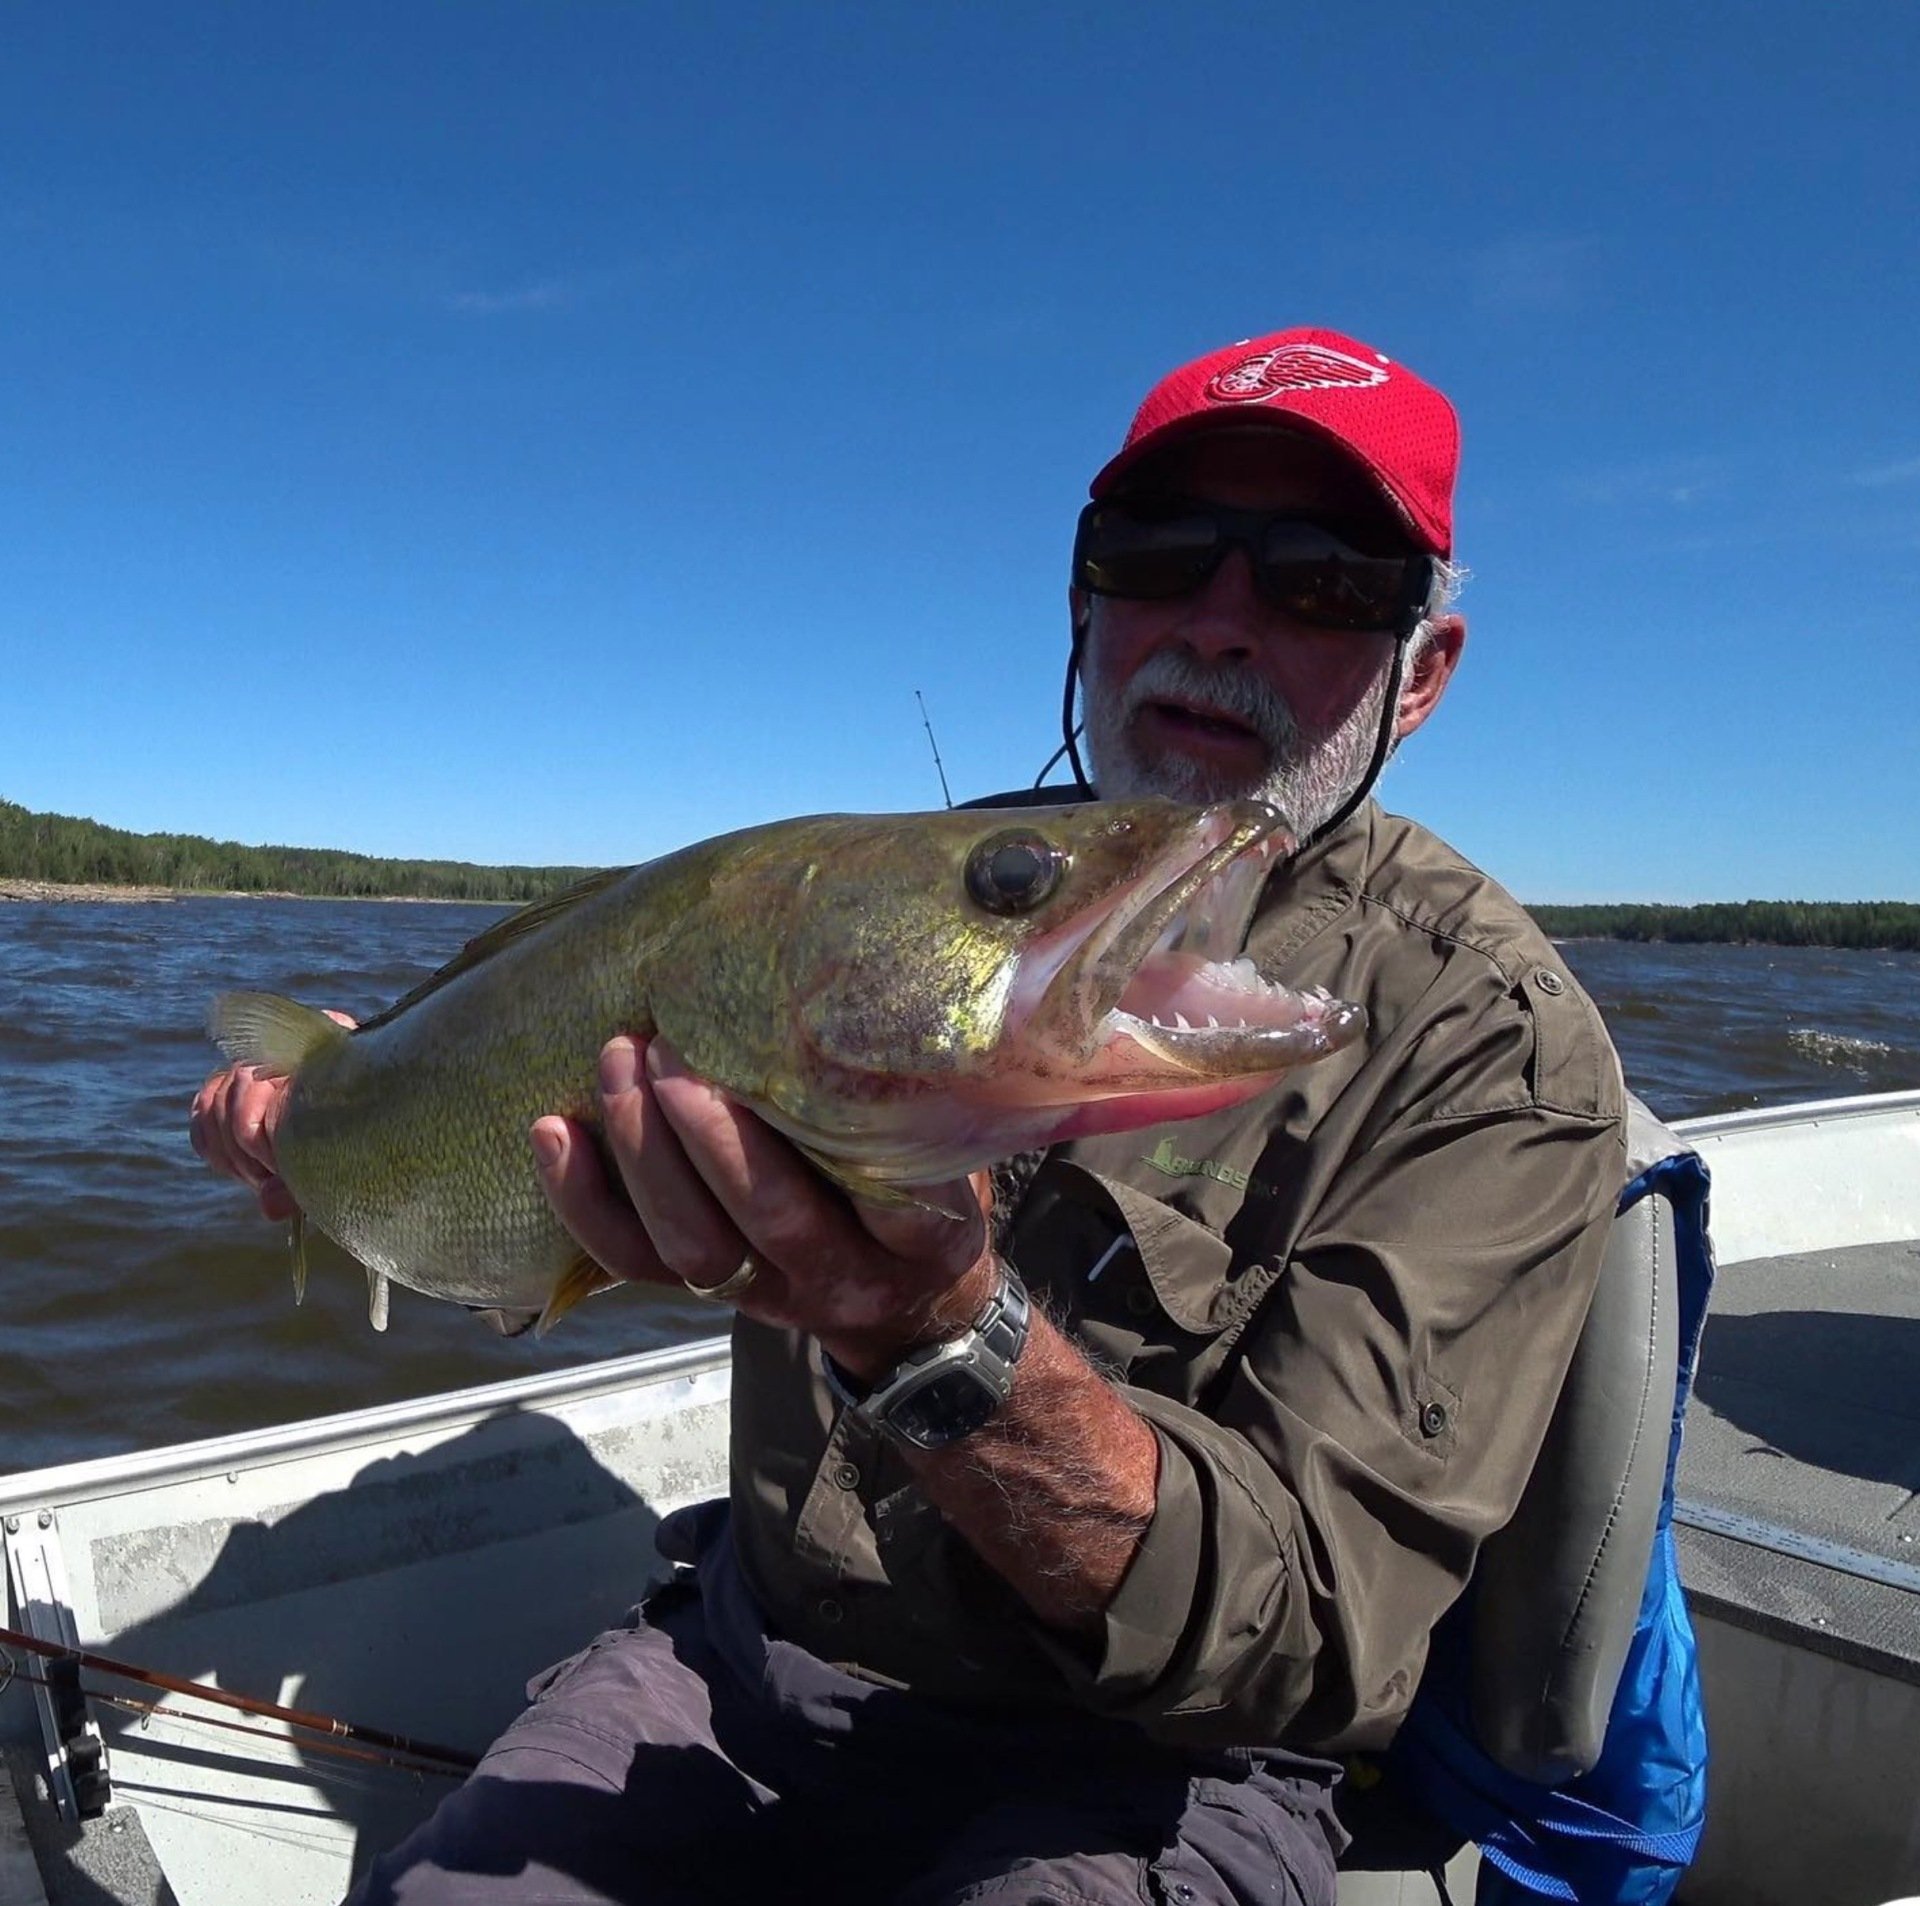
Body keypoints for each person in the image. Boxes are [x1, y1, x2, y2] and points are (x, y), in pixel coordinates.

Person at [191, 326, 1626, 1906]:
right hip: (746, 1670)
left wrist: (935, 1334)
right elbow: (539, 1156)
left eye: (1326, 576)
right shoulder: (892, 893)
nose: (1219, 617)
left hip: (1152, 1771)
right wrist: (359, 1105)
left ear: (1422, 669)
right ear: (1086, 602)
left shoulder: (1495, 1044)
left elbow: (1310, 1642)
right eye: (1155, 552)